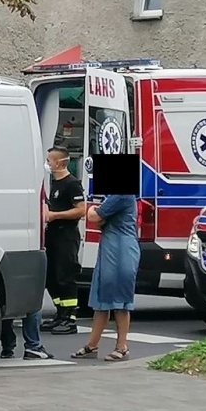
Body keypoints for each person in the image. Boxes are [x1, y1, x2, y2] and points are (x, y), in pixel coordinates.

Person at [73, 191, 140, 361]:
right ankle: (92, 345)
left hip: (121, 249)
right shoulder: (112, 195)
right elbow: (98, 217)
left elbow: (94, 216)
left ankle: (122, 347)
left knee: (121, 299)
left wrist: (94, 211)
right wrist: (97, 214)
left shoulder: (121, 194)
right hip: (110, 247)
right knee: (101, 300)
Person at [42, 143, 86, 334]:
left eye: (49, 161)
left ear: (59, 163)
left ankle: (70, 318)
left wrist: (55, 215)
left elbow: (81, 210)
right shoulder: (55, 184)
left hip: (66, 236)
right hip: (53, 235)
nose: (47, 164)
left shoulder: (71, 184)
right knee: (51, 276)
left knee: (65, 276)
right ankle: (60, 314)